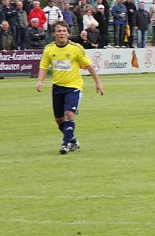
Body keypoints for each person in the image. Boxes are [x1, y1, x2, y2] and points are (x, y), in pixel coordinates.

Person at [35, 21, 105, 155]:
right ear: (54, 33)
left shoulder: (76, 48)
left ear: (68, 33)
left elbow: (89, 66)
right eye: (59, 31)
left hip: (73, 86)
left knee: (69, 114)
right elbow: (44, 66)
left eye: (63, 31)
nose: (61, 33)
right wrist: (40, 81)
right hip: (57, 87)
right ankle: (72, 139)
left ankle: (65, 144)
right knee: (59, 119)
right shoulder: (49, 49)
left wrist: (98, 83)